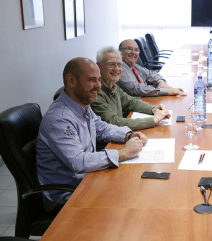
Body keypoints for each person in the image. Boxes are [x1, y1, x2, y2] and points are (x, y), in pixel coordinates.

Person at [36, 58, 147, 212]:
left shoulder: (81, 105)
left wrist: (128, 135)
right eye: (91, 80)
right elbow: (79, 162)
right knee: (131, 198)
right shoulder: (59, 118)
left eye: (99, 80)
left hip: (88, 179)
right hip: (68, 195)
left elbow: (101, 127)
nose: (98, 86)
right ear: (71, 81)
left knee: (136, 186)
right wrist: (123, 153)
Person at [91, 46, 171, 130]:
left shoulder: (113, 86)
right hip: (110, 142)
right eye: (111, 64)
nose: (116, 69)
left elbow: (131, 102)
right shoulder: (96, 93)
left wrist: (153, 109)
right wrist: (152, 120)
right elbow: (114, 122)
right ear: (98, 66)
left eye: (119, 64)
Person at [117, 39, 186, 97]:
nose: (133, 52)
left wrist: (160, 82)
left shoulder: (134, 67)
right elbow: (137, 89)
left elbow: (151, 74)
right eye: (129, 49)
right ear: (120, 51)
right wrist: (167, 91)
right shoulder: (118, 69)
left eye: (136, 50)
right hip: (130, 110)